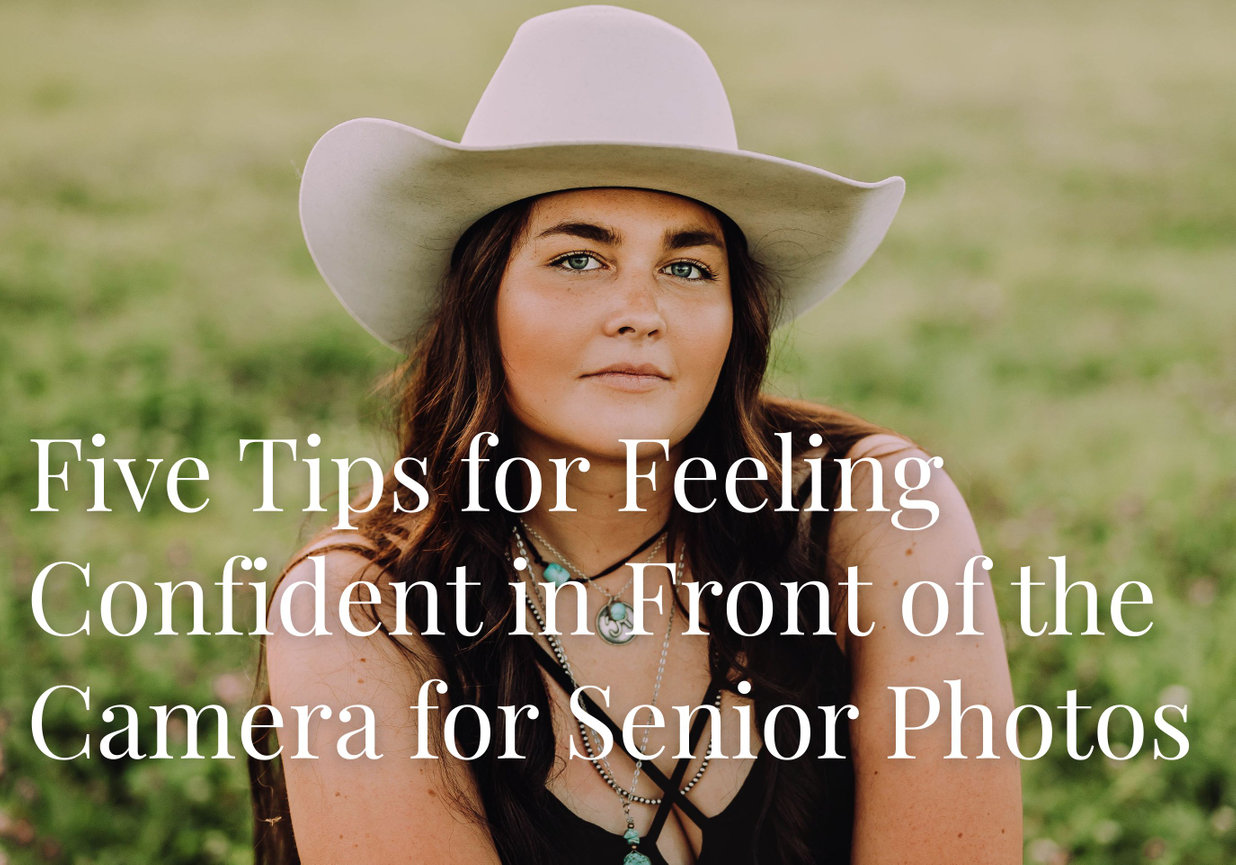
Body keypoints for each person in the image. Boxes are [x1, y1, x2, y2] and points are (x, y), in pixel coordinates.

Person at [249, 6, 1022, 864]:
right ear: (478, 296)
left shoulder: (877, 514)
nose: (640, 314)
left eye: (687, 266)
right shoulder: (360, 608)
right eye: (579, 259)